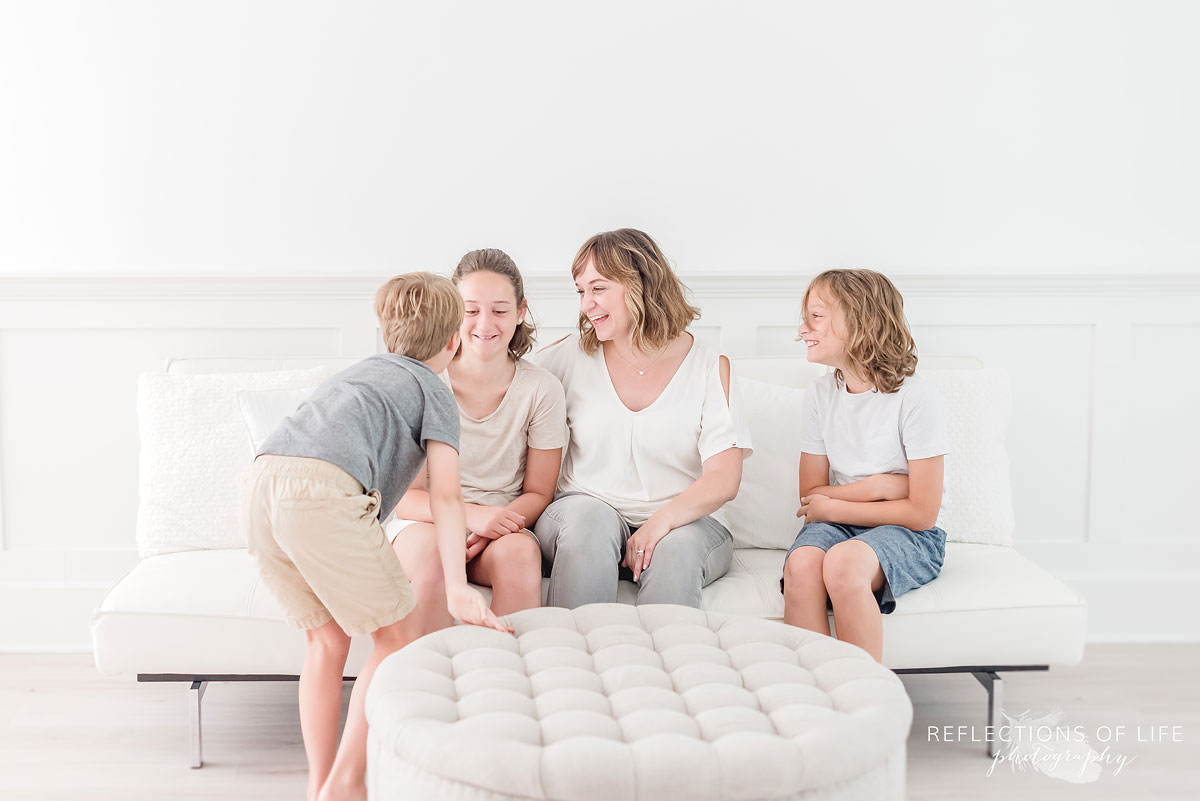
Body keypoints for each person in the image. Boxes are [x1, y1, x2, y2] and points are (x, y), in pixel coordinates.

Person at [241, 273, 510, 801]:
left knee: (326, 641)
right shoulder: (435, 389)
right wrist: (457, 588)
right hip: (320, 495)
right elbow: (447, 497)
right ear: (454, 339)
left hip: (260, 485)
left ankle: (321, 785)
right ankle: (348, 787)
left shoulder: (361, 373)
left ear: (388, 332)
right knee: (397, 639)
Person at [532, 228, 752, 608]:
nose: (586, 304)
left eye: (598, 288)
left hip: (684, 521)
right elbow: (502, 391)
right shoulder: (566, 357)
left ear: (641, 285)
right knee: (590, 523)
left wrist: (659, 523)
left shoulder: (706, 365)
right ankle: (568, 662)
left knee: (676, 550)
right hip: (584, 508)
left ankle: (661, 665)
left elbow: (723, 479)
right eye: (581, 291)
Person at [388, 249, 566, 630]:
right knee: (432, 557)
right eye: (471, 310)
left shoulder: (541, 389)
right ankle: (431, 682)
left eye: (500, 311)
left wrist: (496, 527)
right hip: (427, 523)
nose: (485, 323)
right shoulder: (424, 384)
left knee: (520, 554)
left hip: (502, 530)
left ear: (521, 312)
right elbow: (407, 498)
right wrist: (474, 518)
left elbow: (538, 491)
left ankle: (511, 680)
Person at [782, 269, 949, 663]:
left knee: (843, 563)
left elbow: (922, 514)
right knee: (803, 564)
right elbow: (811, 496)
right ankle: (811, 694)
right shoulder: (821, 395)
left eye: (817, 317)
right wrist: (881, 486)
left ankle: (862, 699)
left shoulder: (916, 397)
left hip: (908, 533)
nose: (803, 329)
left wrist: (835, 505)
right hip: (839, 523)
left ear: (861, 322)